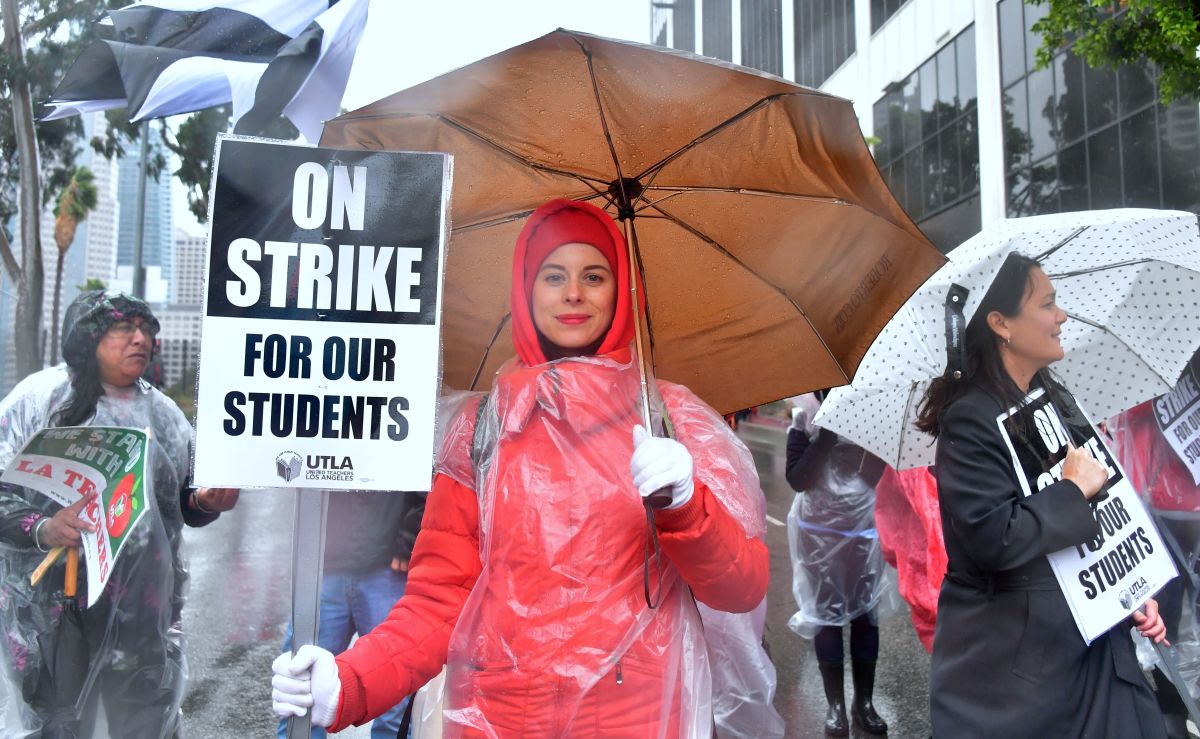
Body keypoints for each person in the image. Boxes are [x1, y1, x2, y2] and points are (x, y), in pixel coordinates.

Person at [271, 198, 770, 737]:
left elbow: (740, 587)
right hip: (500, 716)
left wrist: (685, 506)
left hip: (639, 715)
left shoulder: (673, 420)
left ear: (622, 291)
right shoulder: (481, 425)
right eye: (554, 275)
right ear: (526, 291)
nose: (574, 293)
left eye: (594, 275)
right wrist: (350, 682)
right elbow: (438, 603)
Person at [915, 253, 1168, 737]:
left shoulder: (1053, 394)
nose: (1062, 316)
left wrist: (1129, 592)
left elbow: (1101, 503)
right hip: (1024, 680)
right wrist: (1072, 489)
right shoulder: (970, 419)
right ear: (1001, 324)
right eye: (1048, 304)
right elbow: (994, 537)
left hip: (1092, 650)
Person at [0, 290, 238, 738]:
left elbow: (182, 501)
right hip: (49, 613)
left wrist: (206, 501)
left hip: (139, 612)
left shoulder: (161, 413)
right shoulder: (40, 399)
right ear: (89, 338)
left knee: (145, 721)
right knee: (56, 725)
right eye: (124, 328)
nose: (140, 338)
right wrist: (43, 528)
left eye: (147, 329)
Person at [275, 490, 424, 739]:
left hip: (384, 563)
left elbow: (424, 470)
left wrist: (409, 538)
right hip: (322, 565)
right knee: (300, 695)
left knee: (393, 704)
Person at [785, 392, 889, 736]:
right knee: (826, 616)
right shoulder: (804, 419)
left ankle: (864, 704)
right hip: (818, 534)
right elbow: (797, 479)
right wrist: (827, 436)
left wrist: (857, 449)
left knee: (865, 615)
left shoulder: (871, 415)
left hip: (862, 531)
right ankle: (836, 708)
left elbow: (879, 471)